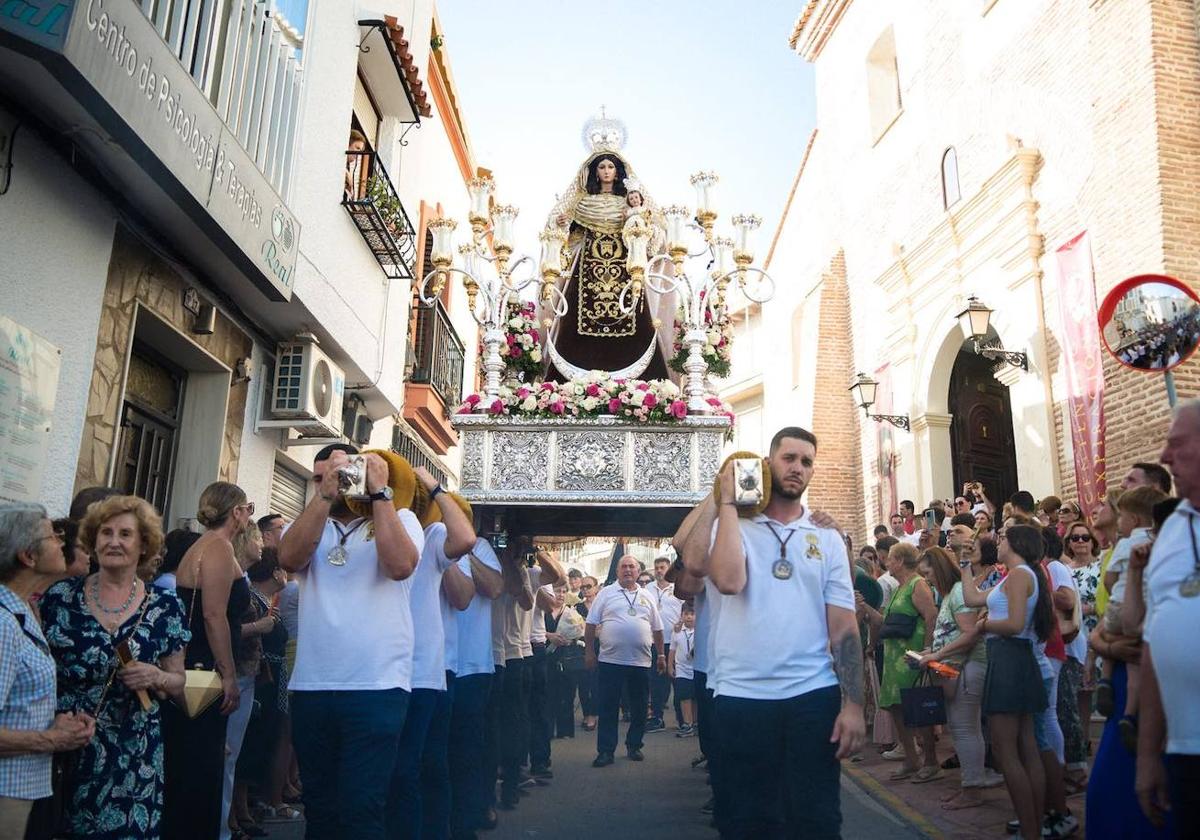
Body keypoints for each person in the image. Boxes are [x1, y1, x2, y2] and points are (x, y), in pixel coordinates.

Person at [696, 427, 865, 837]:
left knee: (817, 820)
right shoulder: (732, 527)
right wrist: (729, 502)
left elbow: (843, 628)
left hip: (812, 695)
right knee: (747, 822)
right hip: (742, 696)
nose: (797, 468)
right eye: (788, 458)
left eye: (806, 462)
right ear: (768, 463)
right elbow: (729, 582)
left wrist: (855, 706)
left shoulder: (825, 536)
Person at [278, 444, 423, 840]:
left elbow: (399, 566)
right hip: (313, 687)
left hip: (376, 688)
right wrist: (324, 495)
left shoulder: (401, 518)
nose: (336, 482)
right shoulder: (310, 522)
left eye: (343, 473)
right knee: (320, 809)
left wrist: (379, 493)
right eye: (323, 475)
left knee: (363, 808)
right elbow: (289, 560)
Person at [40, 495, 190, 839]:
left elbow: (178, 681)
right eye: (105, 533)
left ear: (143, 545)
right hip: (67, 745)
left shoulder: (165, 605)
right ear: (93, 541)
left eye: (125, 534)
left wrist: (156, 675)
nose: (113, 542)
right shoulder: (60, 596)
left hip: (133, 755)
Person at [387, 467, 476, 840]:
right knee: (394, 768)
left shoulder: (437, 533)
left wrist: (436, 491)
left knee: (423, 764)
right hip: (385, 670)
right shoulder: (382, 532)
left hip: (428, 670)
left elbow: (462, 595)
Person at [163, 482, 254, 840]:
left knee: (201, 761)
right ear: (235, 512)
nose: (250, 514)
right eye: (247, 508)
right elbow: (213, 615)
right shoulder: (215, 547)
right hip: (204, 666)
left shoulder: (214, 546)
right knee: (200, 764)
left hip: (201, 661)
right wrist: (228, 675)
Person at [0, 505, 94, 838]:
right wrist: (50, 738)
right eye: (52, 536)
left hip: (25, 787)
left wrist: (54, 723)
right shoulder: (3, 623)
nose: (61, 542)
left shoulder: (22, 611)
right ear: (28, 556)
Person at [960, 523, 1055, 840]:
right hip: (1016, 658)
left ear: (1015, 543)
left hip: (1010, 657)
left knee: (1006, 749)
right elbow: (972, 598)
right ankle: (1033, 826)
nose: (997, 542)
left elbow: (1014, 624)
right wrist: (963, 565)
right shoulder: (1017, 575)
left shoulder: (1019, 575)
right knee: (1025, 746)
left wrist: (986, 627)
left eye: (1002, 538)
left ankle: (1030, 828)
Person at [546, 149, 670, 381]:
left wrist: (639, 223)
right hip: (587, 270)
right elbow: (568, 239)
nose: (606, 171)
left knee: (634, 312)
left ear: (617, 172)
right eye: (601, 167)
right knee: (575, 315)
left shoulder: (630, 203)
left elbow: (653, 233)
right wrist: (563, 223)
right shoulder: (582, 204)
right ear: (595, 172)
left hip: (625, 266)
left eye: (610, 167)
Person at [1138, 400, 1200, 835]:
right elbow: (1153, 645)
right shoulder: (1174, 527)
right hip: (1184, 751)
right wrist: (1148, 755)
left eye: (1176, 444)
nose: (1163, 457)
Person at [918, 546, 996, 809]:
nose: (926, 579)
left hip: (967, 667)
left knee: (964, 729)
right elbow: (954, 632)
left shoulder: (959, 592)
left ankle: (972, 789)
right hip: (958, 667)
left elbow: (969, 633)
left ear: (938, 569)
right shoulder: (952, 594)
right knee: (965, 728)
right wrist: (931, 653)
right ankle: (971, 783)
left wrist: (937, 653)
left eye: (927, 573)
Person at [1098, 485, 1167, 741]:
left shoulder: (1126, 544)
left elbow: (1109, 579)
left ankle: (1104, 679)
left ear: (1134, 519)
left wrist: (1117, 591)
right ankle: (1130, 714)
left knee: (1108, 634)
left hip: (1119, 605)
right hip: (1145, 610)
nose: (1119, 522)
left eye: (1122, 517)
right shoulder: (1156, 542)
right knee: (1134, 668)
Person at [585, 555, 665, 767]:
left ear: (638, 572)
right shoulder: (606, 594)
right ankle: (605, 751)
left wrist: (662, 655)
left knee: (639, 707)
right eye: (624, 567)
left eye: (632, 567)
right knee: (608, 706)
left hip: (640, 661)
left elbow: (657, 628)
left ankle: (634, 745)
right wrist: (590, 653)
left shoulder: (647, 596)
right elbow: (591, 624)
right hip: (610, 660)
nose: (628, 570)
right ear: (618, 571)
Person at [448, 538, 504, 840]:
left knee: (469, 749)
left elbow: (494, 588)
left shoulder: (479, 547)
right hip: (429, 668)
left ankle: (471, 815)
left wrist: (464, 548)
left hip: (471, 666)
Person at [230, 549, 288, 838]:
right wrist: (260, 627)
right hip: (252, 678)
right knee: (245, 746)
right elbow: (235, 631)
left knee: (257, 743)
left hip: (266, 680)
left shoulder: (266, 603)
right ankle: (235, 813)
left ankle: (242, 809)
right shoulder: (251, 599)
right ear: (275, 572)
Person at [878, 542, 940, 782]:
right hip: (895, 657)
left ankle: (931, 761)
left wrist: (926, 649)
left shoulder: (917, 584)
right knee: (897, 706)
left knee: (917, 706)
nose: (886, 563)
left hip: (911, 655)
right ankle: (912, 759)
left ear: (901, 561)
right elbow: (886, 622)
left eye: (890, 558)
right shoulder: (898, 587)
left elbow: (931, 615)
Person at [220, 521, 266, 840]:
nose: (262, 543)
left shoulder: (244, 578)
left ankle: (227, 822)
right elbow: (223, 625)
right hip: (232, 675)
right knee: (226, 755)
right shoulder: (230, 578)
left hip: (246, 674)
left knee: (233, 755)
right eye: (258, 537)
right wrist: (260, 627)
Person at [1063, 521, 1102, 791]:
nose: (1080, 542)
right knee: (1077, 694)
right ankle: (1082, 741)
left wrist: (1080, 609)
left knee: (1089, 692)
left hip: (1096, 634)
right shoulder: (1065, 570)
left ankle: (1085, 740)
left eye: (1084, 537)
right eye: (1075, 538)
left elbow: (1106, 603)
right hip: (1073, 638)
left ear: (1092, 541)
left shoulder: (1101, 567)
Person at [546, 580, 586, 739]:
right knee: (547, 694)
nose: (561, 595)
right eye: (557, 591)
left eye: (564, 591)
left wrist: (572, 638)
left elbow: (580, 631)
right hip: (546, 656)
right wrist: (549, 636)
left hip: (567, 657)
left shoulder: (571, 613)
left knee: (567, 694)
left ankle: (565, 730)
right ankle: (547, 729)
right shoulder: (542, 611)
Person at [648, 554, 683, 732]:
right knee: (657, 683)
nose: (659, 571)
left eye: (663, 567)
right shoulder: (647, 589)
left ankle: (683, 720)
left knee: (678, 680)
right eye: (657, 567)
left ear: (669, 569)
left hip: (676, 643)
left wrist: (682, 624)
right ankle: (657, 718)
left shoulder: (679, 587)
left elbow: (688, 611)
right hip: (655, 643)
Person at [667, 601, 697, 737]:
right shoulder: (677, 631)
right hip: (681, 669)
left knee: (695, 697)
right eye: (686, 614)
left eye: (692, 614)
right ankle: (687, 723)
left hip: (697, 669)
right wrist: (669, 665)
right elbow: (672, 649)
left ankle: (696, 722)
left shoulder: (701, 630)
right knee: (684, 697)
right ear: (681, 615)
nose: (689, 617)